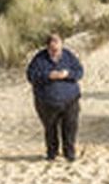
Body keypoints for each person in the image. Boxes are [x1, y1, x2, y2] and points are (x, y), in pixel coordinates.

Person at [26, 33, 83, 161]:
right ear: (48, 47)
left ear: (61, 45)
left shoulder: (69, 56)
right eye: (52, 49)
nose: (55, 51)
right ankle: (52, 153)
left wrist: (67, 74)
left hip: (70, 100)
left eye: (57, 48)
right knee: (50, 129)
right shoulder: (39, 59)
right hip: (47, 102)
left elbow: (79, 72)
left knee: (70, 127)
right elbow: (31, 75)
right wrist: (48, 75)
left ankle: (69, 153)